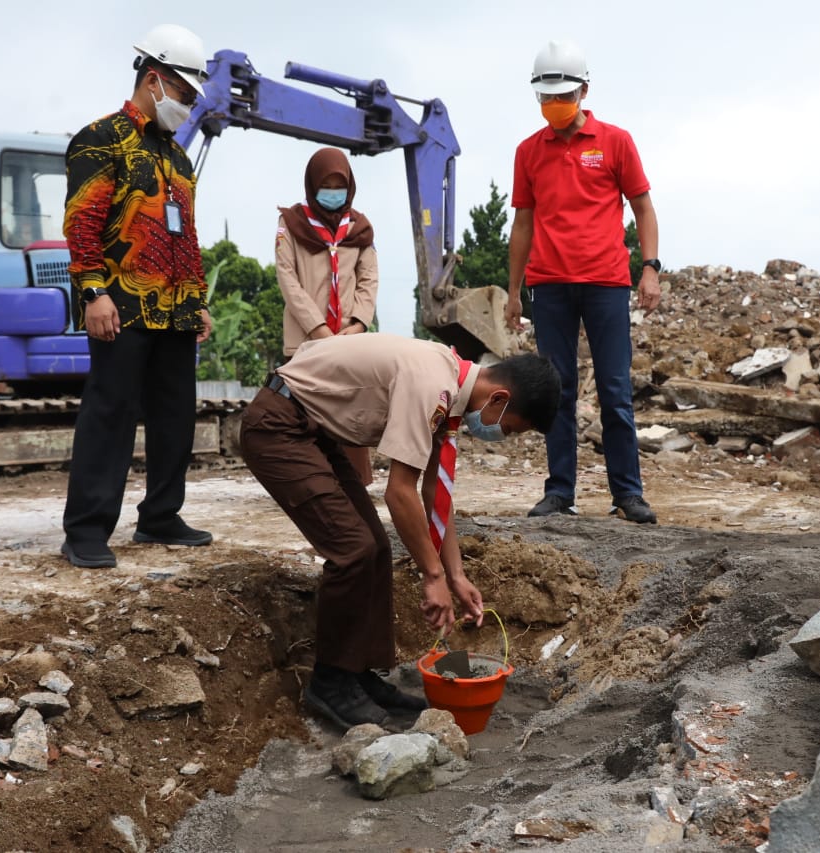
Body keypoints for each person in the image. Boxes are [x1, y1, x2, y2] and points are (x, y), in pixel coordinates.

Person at [239, 333, 560, 729]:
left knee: (375, 547)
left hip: (315, 432)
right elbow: (400, 492)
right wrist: (433, 576)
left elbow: (434, 492)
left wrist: (457, 576)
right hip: (278, 427)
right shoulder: (432, 383)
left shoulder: (452, 384)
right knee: (353, 550)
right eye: (509, 429)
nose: (501, 436)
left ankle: (356, 674)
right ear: (499, 398)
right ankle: (330, 683)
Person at [59, 24, 214, 569]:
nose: (189, 105)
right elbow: (81, 225)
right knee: (111, 413)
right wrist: (93, 292)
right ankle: (86, 529)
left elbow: (183, 234)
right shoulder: (100, 138)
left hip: (174, 311)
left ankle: (160, 517)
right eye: (186, 94)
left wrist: (197, 299)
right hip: (120, 308)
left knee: (175, 417)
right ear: (155, 79)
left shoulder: (178, 157)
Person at [505, 40, 661, 525]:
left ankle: (627, 494)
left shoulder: (615, 142)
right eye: (546, 98)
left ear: (584, 90)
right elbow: (523, 225)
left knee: (614, 389)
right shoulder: (528, 152)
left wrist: (651, 266)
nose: (554, 105)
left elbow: (643, 208)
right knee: (558, 391)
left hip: (607, 284)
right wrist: (513, 292)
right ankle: (560, 492)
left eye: (563, 96)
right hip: (549, 287)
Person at [276, 148, 379, 486]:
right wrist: (318, 330)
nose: (333, 191)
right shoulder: (291, 223)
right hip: (307, 340)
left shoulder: (360, 228)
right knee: (306, 412)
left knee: (352, 410)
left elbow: (369, 279)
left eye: (340, 184)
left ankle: (354, 481)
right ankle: (309, 481)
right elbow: (287, 278)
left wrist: (359, 322)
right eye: (326, 184)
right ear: (312, 183)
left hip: (348, 340)